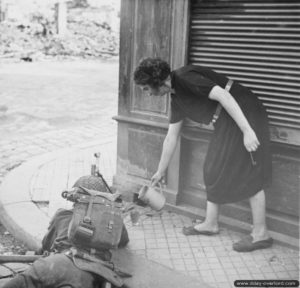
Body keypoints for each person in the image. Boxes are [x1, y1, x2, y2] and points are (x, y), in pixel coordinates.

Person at [133, 57, 273, 252]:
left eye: (146, 89)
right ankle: (211, 223)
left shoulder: (185, 78)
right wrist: (160, 171)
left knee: (247, 170)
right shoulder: (176, 98)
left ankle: (261, 233)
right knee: (211, 168)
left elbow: (225, 96)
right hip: (225, 119)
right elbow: (171, 137)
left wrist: (247, 131)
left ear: (158, 82)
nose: (148, 94)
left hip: (244, 110)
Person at [3, 175, 130, 288]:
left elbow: (46, 244)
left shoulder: (62, 215)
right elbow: (124, 240)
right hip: (95, 272)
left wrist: (40, 255)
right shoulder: (110, 224)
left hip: (59, 263)